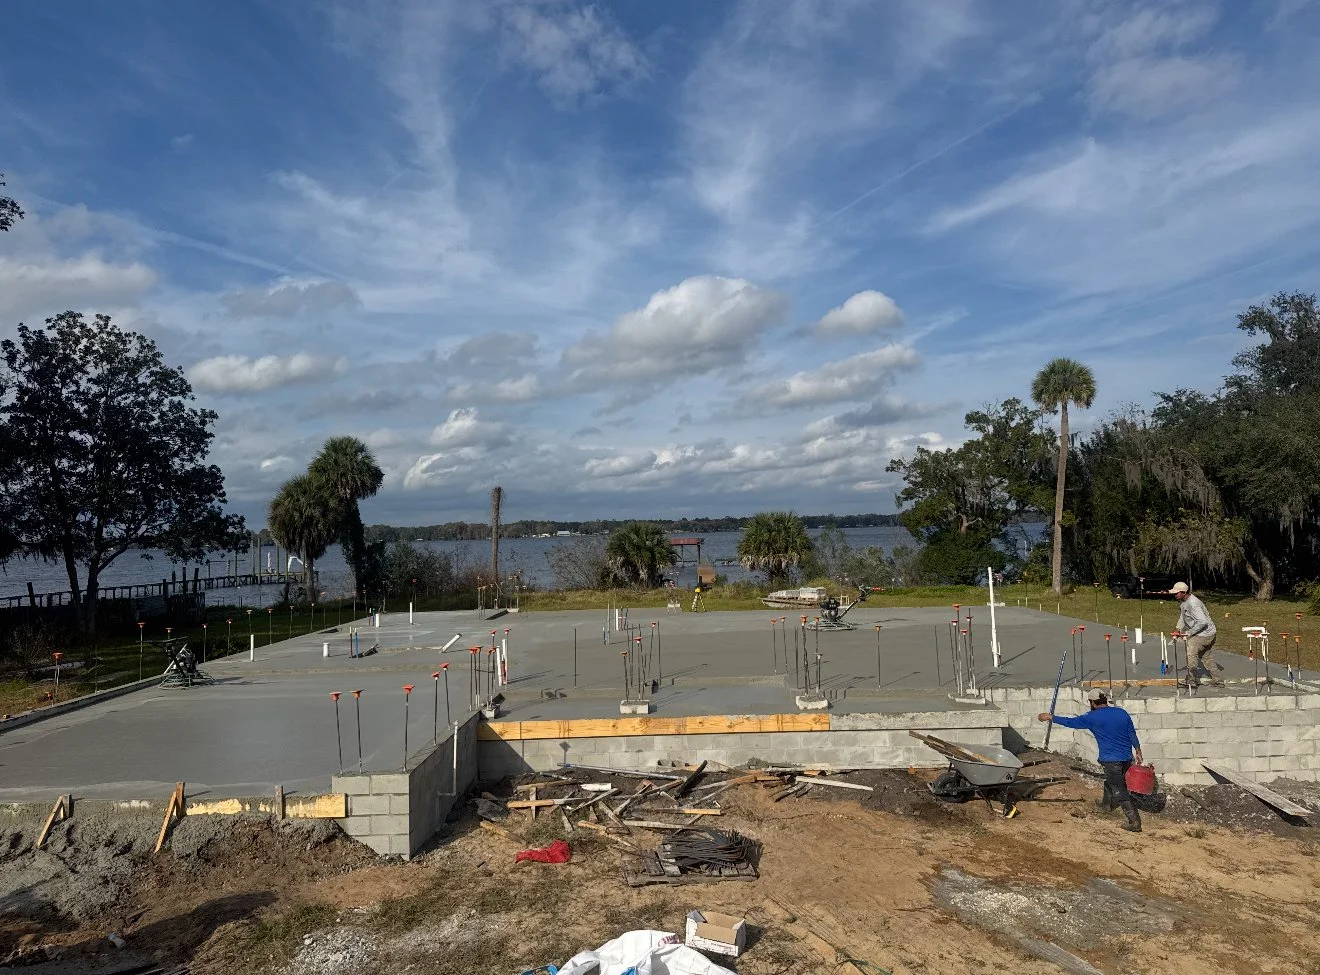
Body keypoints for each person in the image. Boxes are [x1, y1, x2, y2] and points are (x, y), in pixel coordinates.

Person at [1038, 688, 1144, 832]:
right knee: (1113, 781)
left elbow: (1071, 722)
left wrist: (1051, 717)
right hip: (1126, 757)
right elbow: (1131, 732)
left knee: (1119, 790)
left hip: (1111, 760)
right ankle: (1106, 805)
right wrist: (1138, 750)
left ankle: (1134, 822)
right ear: (1105, 700)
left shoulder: (1092, 717)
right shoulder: (1122, 713)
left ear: (1093, 703)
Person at [1173, 581, 1222, 688]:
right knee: (1206, 656)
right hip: (1207, 633)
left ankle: (1191, 679)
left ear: (1183, 592)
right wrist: (1178, 629)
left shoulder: (1193, 604)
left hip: (1205, 634)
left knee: (1191, 653)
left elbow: (1202, 621)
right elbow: (1183, 616)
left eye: (1176, 593)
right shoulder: (1184, 602)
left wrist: (1189, 633)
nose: (1174, 595)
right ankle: (1218, 680)